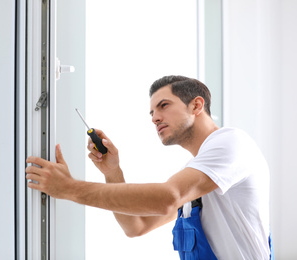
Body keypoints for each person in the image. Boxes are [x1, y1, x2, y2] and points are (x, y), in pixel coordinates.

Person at [26, 75, 273, 259]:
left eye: (164, 105)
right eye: (152, 112)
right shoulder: (198, 177)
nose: (154, 117)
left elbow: (167, 198)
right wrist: (113, 173)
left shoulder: (231, 142)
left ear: (197, 106)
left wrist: (69, 188)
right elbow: (137, 226)